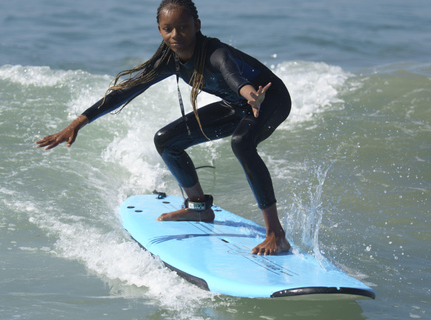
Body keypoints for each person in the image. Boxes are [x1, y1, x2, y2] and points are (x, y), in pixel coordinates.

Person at [36, 0, 291, 255]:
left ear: (197, 26)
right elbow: (124, 92)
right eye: (167, 29)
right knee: (166, 141)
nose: (175, 35)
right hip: (238, 105)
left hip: (270, 100)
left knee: (241, 143)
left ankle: (276, 234)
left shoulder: (215, 53)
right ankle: (199, 209)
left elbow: (234, 77)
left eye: (182, 27)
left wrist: (250, 94)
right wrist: (78, 122)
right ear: (159, 29)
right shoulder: (170, 60)